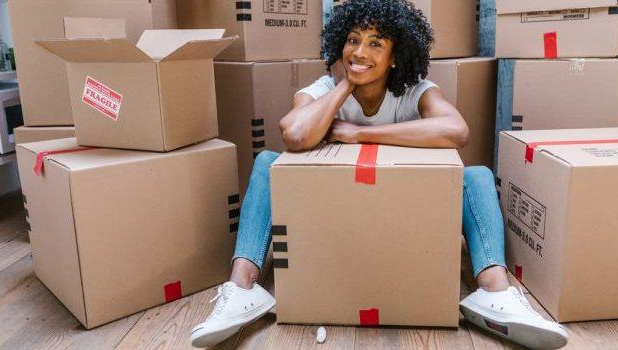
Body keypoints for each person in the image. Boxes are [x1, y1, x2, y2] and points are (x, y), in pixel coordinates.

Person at [190, 1, 568, 348]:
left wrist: (360, 133)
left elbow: (457, 131)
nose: (359, 52)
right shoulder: (323, 89)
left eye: (375, 44)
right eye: (353, 41)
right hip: (337, 218)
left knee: (478, 176)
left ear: (394, 56)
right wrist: (344, 85)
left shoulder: (414, 91)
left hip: (398, 217)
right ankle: (242, 290)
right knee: (266, 161)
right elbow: (294, 134)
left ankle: (494, 292)